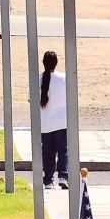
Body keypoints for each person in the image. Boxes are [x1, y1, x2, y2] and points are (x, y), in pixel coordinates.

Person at [38, 50, 69, 190]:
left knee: (48, 152)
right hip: (61, 122)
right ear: (56, 63)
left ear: (43, 63)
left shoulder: (37, 79)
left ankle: (48, 179)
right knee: (63, 150)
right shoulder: (64, 78)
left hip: (45, 123)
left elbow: (31, 99)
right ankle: (63, 175)